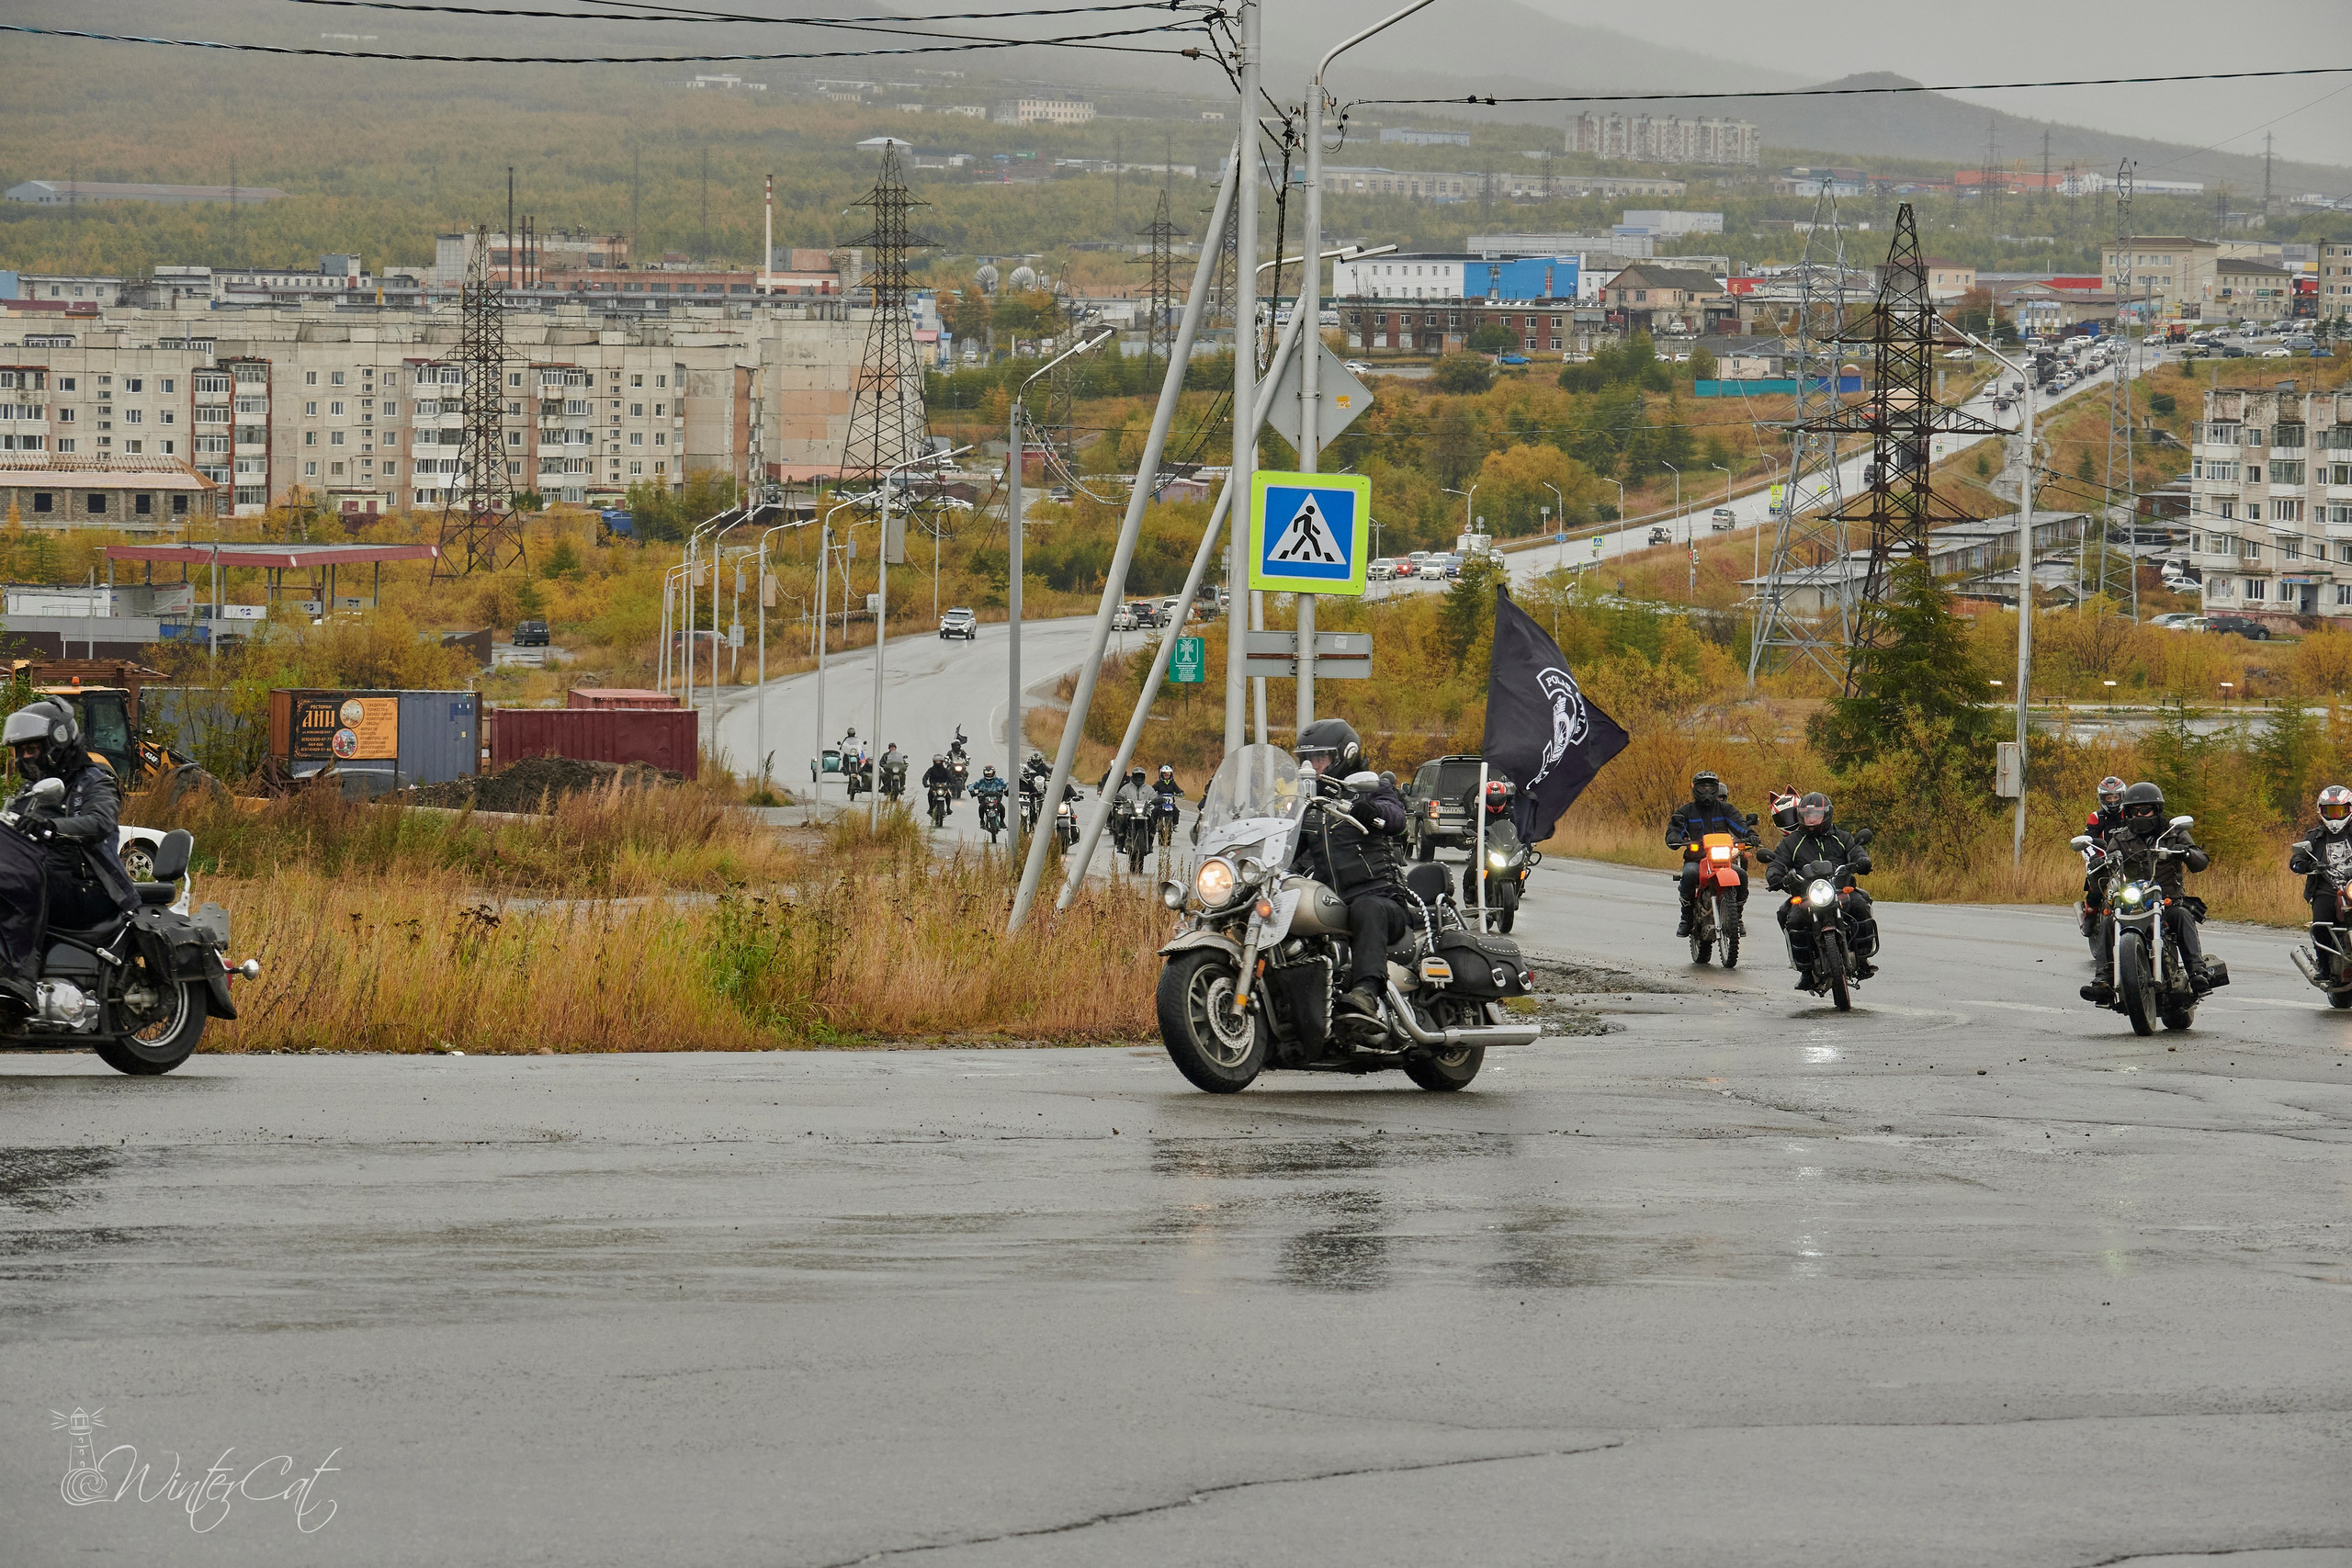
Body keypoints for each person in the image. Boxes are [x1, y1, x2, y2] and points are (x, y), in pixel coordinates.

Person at [1289, 718, 1410, 1019]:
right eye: (1307, 760)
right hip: (1336, 902)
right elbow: (1287, 847)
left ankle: (1367, 992)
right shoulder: (1310, 805)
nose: (1312, 766)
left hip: (1382, 898)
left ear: (1346, 755)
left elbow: (1396, 818)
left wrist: (1372, 812)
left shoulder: (1370, 789)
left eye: (1320, 758)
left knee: (1366, 908)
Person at [2, 699, 137, 953]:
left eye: (31, 749)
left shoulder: (96, 782)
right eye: (19, 752)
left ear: (58, 742)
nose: (23, 758)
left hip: (92, 890)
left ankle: (21, 971)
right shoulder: (30, 792)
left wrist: (49, 827)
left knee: (31, 880)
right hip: (54, 886)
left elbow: (100, 822)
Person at [2082, 780, 2211, 1002]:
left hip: (2168, 899)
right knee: (2109, 919)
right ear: (2128, 812)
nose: (2141, 815)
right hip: (2133, 902)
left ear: (2156, 809)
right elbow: (2103, 876)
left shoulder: (2172, 832)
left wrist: (2186, 852)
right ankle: (2102, 980)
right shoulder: (2121, 838)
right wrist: (2097, 866)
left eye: (2146, 810)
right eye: (2135, 811)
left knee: (2182, 915)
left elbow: (2200, 861)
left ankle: (2197, 972)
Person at [1764, 791, 1877, 987]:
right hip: (1806, 894)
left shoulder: (1842, 837)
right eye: (1807, 816)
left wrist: (1862, 861)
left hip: (1841, 889)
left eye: (1816, 815)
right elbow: (1778, 861)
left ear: (1827, 814)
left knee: (1860, 902)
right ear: (1800, 816)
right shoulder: (1792, 842)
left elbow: (1856, 850)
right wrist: (1775, 875)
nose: (1811, 820)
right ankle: (1806, 970)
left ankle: (1863, 957)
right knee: (1788, 916)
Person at [1668, 771, 1758, 939]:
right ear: (1695, 789)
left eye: (1710, 787)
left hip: (1722, 860)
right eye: (1703, 788)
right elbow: (1675, 830)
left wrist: (1750, 834)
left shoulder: (1726, 809)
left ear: (1717, 789)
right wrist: (1674, 838)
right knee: (1689, 874)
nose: (1707, 792)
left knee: (1742, 876)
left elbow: (1740, 824)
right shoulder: (1686, 811)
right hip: (1697, 859)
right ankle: (1686, 917)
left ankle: (1736, 917)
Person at [2292, 784, 2352, 956]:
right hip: (2326, 889)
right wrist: (2307, 865)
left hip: (2350, 888)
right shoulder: (2315, 837)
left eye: (2339, 812)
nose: (2334, 817)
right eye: (2329, 811)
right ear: (2321, 811)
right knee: (2321, 924)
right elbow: (2296, 861)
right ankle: (2324, 964)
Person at [2080, 775, 2127, 929]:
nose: (2112, 801)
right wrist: (2094, 858)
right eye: (2109, 797)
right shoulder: (2096, 817)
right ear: (2102, 798)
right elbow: (2087, 840)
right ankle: (2090, 913)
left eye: (2115, 796)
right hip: (2104, 861)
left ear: (2122, 796)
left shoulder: (2130, 814)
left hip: (2129, 858)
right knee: (2096, 886)